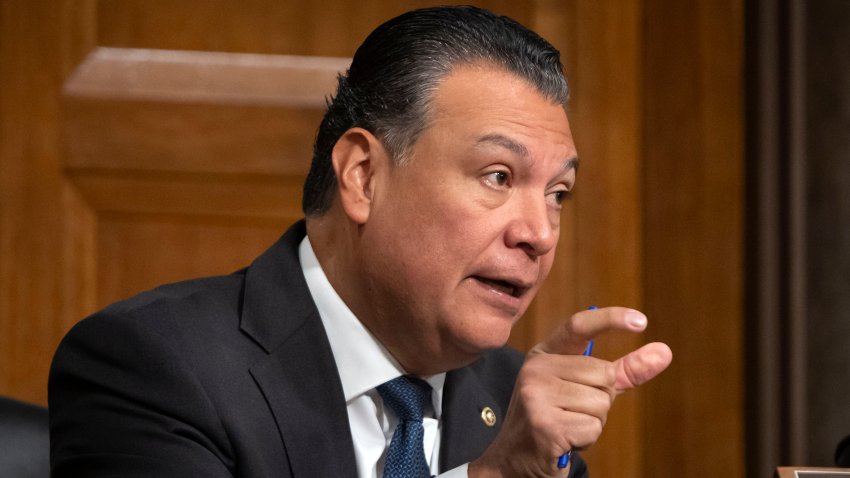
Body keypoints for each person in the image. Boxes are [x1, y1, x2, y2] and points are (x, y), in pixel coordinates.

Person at [48, 6, 672, 478]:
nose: (538, 233)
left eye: (557, 194)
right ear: (363, 176)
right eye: (498, 177)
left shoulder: (521, 406)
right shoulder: (157, 369)